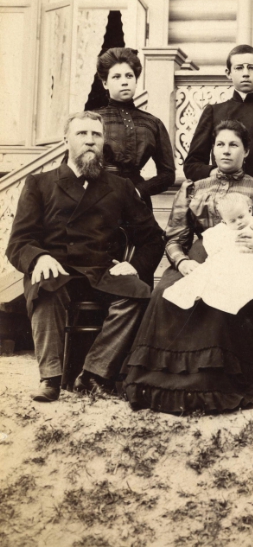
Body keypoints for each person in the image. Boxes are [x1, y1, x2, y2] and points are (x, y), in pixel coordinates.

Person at [122, 120, 253, 414]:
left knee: (220, 301)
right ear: (213, 149)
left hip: (245, 258)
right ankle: (162, 383)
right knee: (164, 293)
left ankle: (211, 384)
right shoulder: (193, 188)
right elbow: (175, 237)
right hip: (199, 255)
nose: (226, 151)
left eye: (234, 145)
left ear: (246, 151)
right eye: (220, 144)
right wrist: (182, 261)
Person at [6, 112, 165, 402]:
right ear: (66, 140)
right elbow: (19, 241)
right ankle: (50, 378)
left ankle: (93, 374)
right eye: (82, 134)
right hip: (57, 268)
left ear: (103, 142)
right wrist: (38, 258)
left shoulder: (119, 186)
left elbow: (153, 237)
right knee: (45, 286)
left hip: (100, 270)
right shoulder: (39, 183)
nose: (90, 141)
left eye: (96, 135)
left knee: (139, 293)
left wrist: (133, 265)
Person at [92, 47, 175, 285]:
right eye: (116, 76)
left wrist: (139, 191)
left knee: (143, 254)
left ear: (136, 80)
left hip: (138, 197)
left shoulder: (152, 123)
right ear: (105, 83)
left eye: (129, 76)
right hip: (100, 195)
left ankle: (138, 303)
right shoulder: (93, 119)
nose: (124, 81)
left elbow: (168, 174)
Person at [183, 44, 253, 182]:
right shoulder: (213, 112)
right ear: (228, 73)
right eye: (239, 68)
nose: (245, 73)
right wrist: (216, 172)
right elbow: (191, 166)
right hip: (219, 190)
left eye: (251, 67)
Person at [163, 192, 253, 315]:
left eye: (241, 217)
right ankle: (196, 294)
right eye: (232, 220)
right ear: (224, 221)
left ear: (250, 210)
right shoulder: (222, 229)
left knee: (241, 281)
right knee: (206, 273)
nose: (238, 222)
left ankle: (224, 302)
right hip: (229, 261)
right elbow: (212, 245)